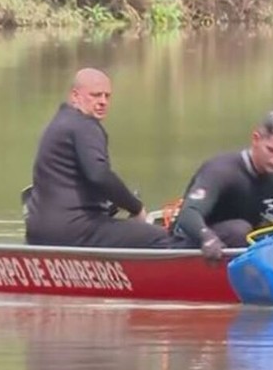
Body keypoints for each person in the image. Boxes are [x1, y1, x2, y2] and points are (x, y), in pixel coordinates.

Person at [25, 68, 173, 248]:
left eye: (107, 96)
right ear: (75, 96)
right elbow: (99, 175)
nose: (102, 102)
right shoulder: (85, 126)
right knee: (159, 236)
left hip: (38, 232)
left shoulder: (58, 122)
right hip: (74, 230)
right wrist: (136, 207)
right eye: (95, 95)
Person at [173, 109, 273, 259]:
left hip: (241, 241)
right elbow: (188, 213)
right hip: (195, 241)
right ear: (256, 139)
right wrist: (207, 237)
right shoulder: (221, 171)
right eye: (272, 150)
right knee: (239, 230)